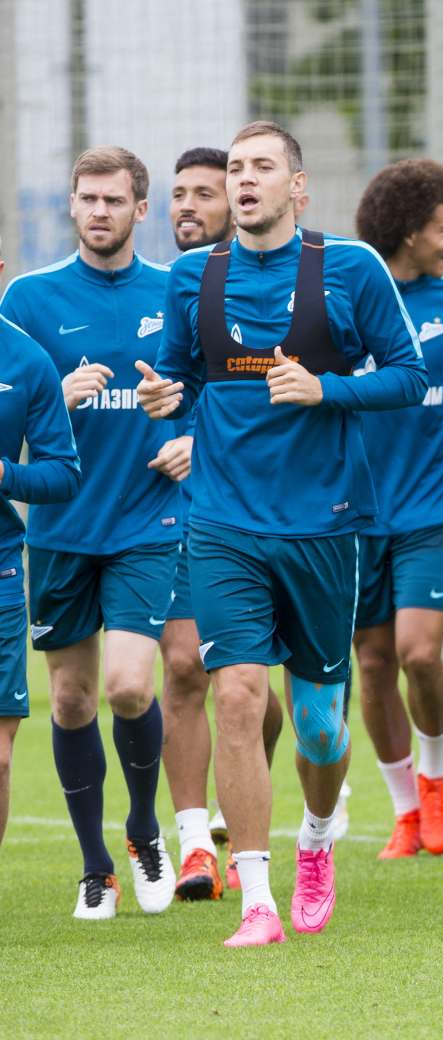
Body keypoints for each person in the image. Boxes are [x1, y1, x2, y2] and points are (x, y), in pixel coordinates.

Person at [136, 120, 427, 946]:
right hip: (222, 519)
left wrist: (328, 390)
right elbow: (179, 378)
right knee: (236, 693)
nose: (245, 179)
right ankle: (258, 901)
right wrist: (164, 402)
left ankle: (317, 839)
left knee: (322, 728)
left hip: (322, 524)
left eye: (262, 166)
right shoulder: (194, 275)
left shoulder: (352, 268)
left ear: (297, 185)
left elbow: (410, 377)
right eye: (236, 167)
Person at [0, 146, 183, 920]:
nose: (99, 211)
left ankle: (144, 829)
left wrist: (187, 430)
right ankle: (95, 867)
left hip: (149, 520)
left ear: (140, 209)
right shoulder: (28, 299)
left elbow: (215, 398)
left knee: (129, 685)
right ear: (71, 205)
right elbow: (12, 428)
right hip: (60, 530)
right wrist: (58, 400)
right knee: (72, 702)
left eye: (114, 200)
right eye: (88, 198)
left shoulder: (177, 292)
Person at [161, 146, 290, 901]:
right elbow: (171, 385)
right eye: (180, 192)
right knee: (187, 671)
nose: (191, 205)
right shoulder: (176, 284)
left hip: (265, 515)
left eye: (204, 193)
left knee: (248, 685)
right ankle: (192, 846)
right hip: (176, 519)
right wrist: (169, 421)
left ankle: (244, 819)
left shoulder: (287, 284)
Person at [351, 159, 443, 860]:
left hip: (433, 506)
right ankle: (405, 809)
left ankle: (436, 778)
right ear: (407, 232)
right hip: (352, 511)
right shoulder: (346, 299)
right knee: (373, 665)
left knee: (419, 652)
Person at [0, 233, 84, 855]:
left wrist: (6, 474)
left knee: (0, 757)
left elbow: (62, 473)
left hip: (2, 572)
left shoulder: (27, 361)